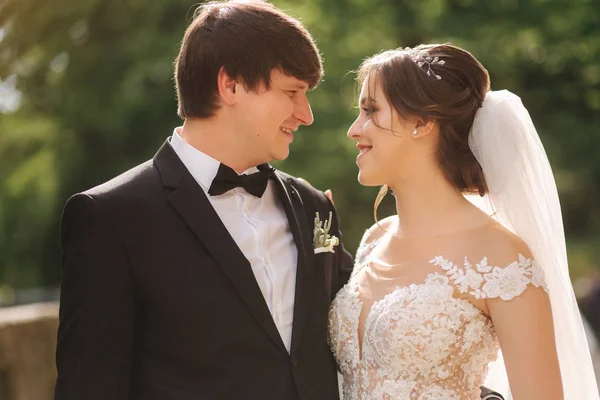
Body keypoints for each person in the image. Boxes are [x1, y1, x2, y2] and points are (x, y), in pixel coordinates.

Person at [54, 1, 353, 399]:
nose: (306, 114)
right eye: (292, 92)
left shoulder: (315, 208)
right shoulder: (111, 218)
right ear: (230, 85)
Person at [328, 44, 600, 399]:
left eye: (371, 111)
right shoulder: (374, 239)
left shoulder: (502, 257)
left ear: (423, 122)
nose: (354, 129)